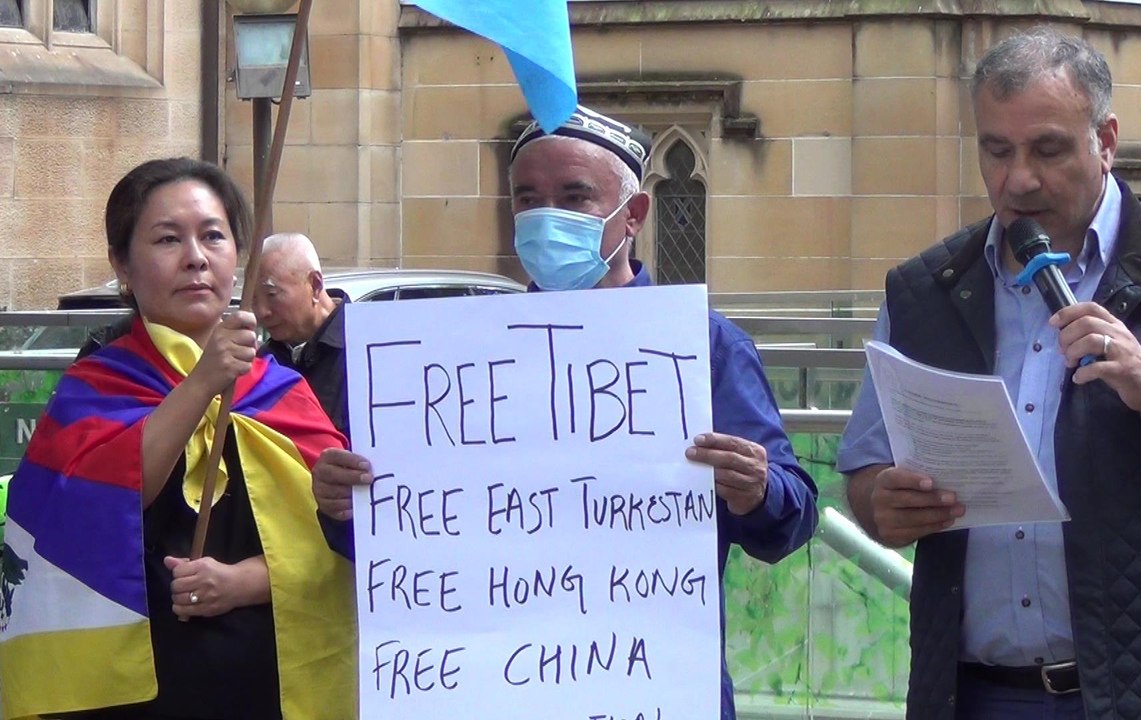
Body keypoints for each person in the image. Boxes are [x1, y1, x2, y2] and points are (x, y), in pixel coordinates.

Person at [310, 105, 819, 720]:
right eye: (528, 198)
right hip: (483, 689)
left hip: (649, 687)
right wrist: (341, 505)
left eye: (575, 197)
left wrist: (757, 489)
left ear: (633, 214)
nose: (546, 216)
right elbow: (399, 546)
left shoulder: (704, 348)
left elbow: (792, 518)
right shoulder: (446, 358)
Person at [838, 26, 1141, 719]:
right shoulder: (925, 289)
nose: (1018, 179)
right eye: (996, 150)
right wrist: (883, 506)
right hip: (975, 693)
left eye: (1047, 148)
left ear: (1105, 140)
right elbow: (865, 475)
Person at [0, 158, 355, 720]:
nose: (196, 257)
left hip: (273, 688)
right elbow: (85, 517)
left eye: (213, 236)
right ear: (123, 265)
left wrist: (245, 582)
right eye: (168, 239)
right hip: (139, 691)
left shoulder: (283, 390)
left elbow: (342, 546)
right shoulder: (95, 385)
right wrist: (202, 382)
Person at [253, 232, 350, 438]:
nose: (261, 312)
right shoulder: (262, 363)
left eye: (272, 295)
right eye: (253, 299)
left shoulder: (366, 349)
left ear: (315, 285)